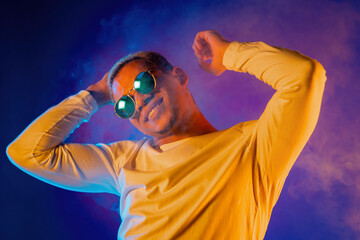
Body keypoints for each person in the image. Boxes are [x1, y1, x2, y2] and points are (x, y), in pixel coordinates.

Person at [6, 30, 327, 239]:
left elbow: (304, 75)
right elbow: (28, 153)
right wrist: (94, 95)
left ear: (179, 76)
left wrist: (228, 53)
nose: (139, 100)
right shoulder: (123, 161)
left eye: (144, 83)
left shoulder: (253, 147)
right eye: (124, 103)